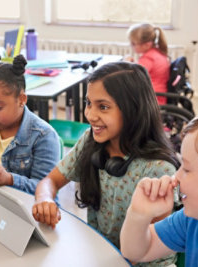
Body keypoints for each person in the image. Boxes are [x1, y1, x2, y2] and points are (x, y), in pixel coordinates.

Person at [32, 62, 180, 266]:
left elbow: (146, 250)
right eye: (88, 103)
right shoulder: (92, 141)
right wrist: (45, 199)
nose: (90, 115)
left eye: (103, 106)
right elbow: (50, 180)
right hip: (103, 255)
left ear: (132, 110)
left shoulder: (158, 169)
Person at [120, 111, 198, 266]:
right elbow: (135, 252)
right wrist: (139, 214)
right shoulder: (195, 220)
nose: (176, 176)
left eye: (187, 169)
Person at [0, 51, 60, 195]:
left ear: (21, 100)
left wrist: (9, 179)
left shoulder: (43, 136)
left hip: (25, 210)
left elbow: (45, 189)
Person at [126, 23, 170, 105]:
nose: (131, 45)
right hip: (158, 95)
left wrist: (126, 64)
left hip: (151, 98)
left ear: (147, 44)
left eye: (133, 43)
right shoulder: (157, 53)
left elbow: (132, 77)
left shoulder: (148, 58)